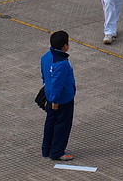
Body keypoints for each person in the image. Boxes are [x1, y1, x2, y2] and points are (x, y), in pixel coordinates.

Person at [41, 30, 76, 161]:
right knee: (62, 125)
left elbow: (44, 76)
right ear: (65, 46)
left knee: (50, 122)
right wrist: (56, 100)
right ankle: (57, 152)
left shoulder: (46, 57)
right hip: (62, 100)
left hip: (49, 96)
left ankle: (47, 148)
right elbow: (58, 84)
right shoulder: (62, 64)